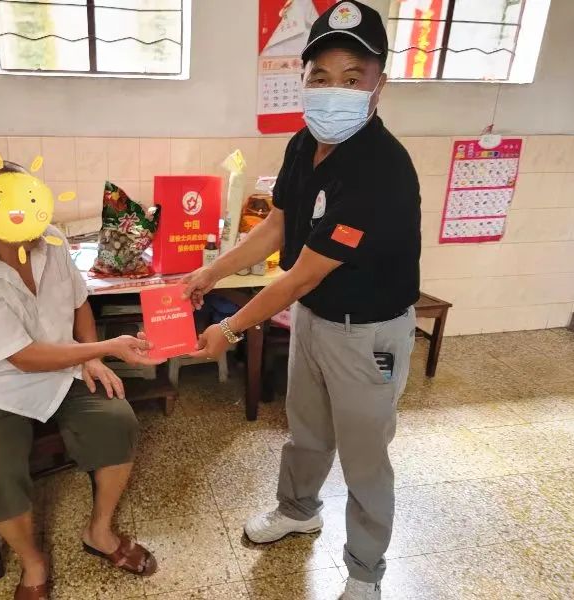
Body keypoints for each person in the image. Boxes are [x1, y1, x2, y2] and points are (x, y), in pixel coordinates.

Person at [183, 2, 420, 598]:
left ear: (380, 84)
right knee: (306, 431)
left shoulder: (381, 170)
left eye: (352, 78)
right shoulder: (303, 143)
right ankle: (298, 511)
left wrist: (229, 329)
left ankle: (365, 572)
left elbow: (300, 276)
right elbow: (278, 226)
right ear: (304, 78)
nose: (334, 90)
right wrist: (211, 271)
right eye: (321, 75)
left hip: (367, 334)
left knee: (365, 458)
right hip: (314, 319)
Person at [0, 161, 161, 600]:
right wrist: (105, 349)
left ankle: (99, 531)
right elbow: (22, 358)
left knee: (117, 420)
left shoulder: (53, 241)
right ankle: (33, 562)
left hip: (64, 366)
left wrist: (91, 355)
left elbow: (79, 302)